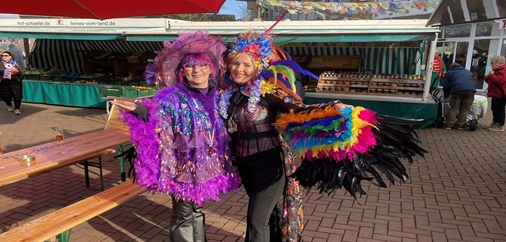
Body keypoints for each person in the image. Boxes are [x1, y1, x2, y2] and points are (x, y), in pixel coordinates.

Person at [218, 30, 426, 242]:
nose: (239, 69)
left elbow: (298, 110)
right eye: (236, 63)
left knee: (255, 222)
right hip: (245, 165)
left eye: (246, 65)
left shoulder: (268, 93)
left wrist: (331, 109)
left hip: (268, 164)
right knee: (269, 216)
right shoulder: (230, 94)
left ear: (258, 67)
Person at [111, 31, 240, 242]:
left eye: (202, 65)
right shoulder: (173, 97)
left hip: (208, 165)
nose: (196, 70)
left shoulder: (220, 95)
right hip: (182, 167)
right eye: (189, 66)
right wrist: (138, 109)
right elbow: (155, 114)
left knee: (197, 210)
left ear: (211, 69)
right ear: (182, 71)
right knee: (183, 214)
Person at [441, 63, 477, 130]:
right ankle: (460, 125)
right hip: (470, 90)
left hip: (457, 90)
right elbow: (473, 81)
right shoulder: (468, 72)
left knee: (454, 108)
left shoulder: (449, 73)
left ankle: (449, 125)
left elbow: (445, 86)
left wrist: (446, 95)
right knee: (464, 108)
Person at [484, 55, 506, 132]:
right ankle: (495, 122)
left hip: (500, 94)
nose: (491, 64)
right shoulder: (496, 70)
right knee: (494, 108)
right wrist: (488, 76)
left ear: (498, 63)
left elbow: (500, 81)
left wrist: (492, 75)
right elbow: (489, 81)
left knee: (499, 109)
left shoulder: (503, 70)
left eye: (492, 62)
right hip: (495, 93)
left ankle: (500, 124)